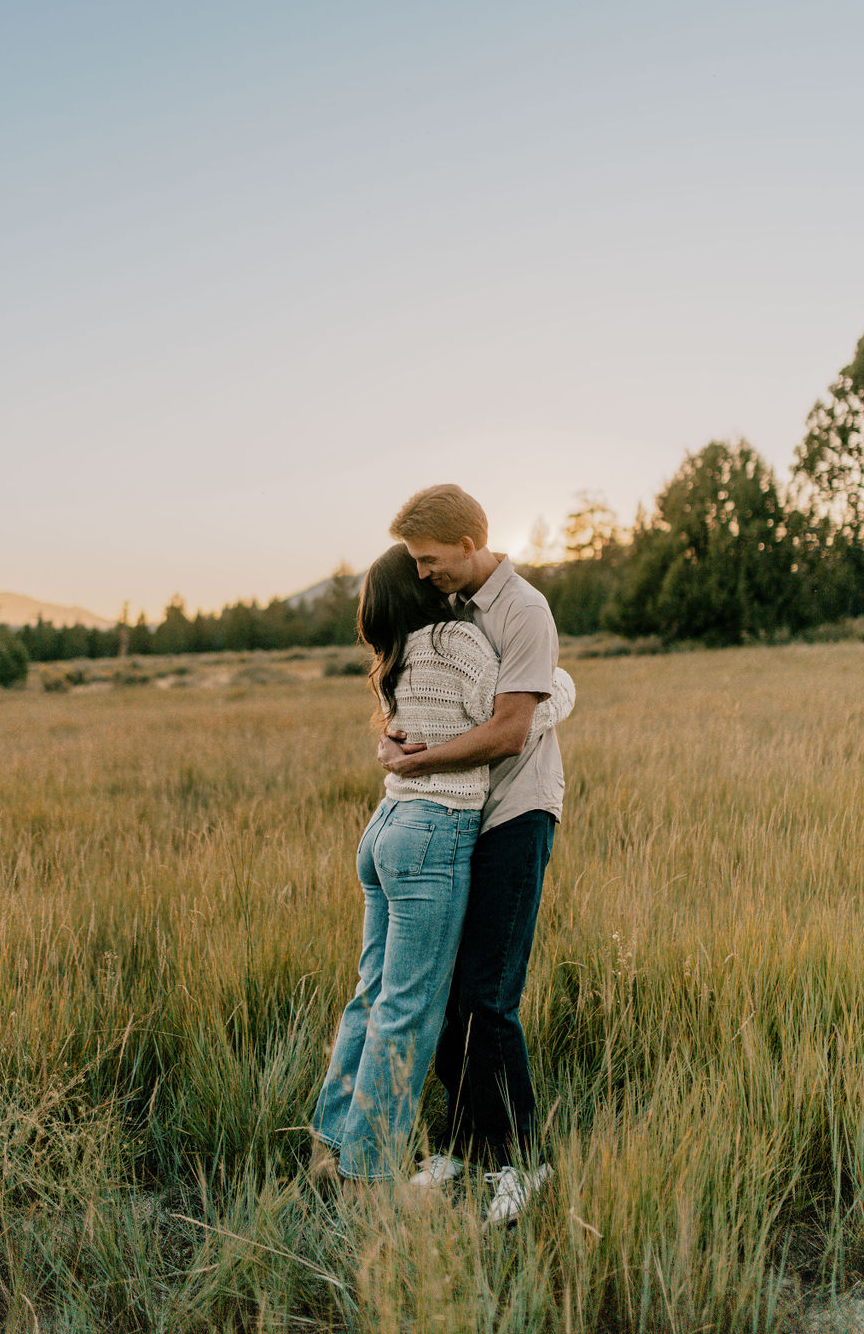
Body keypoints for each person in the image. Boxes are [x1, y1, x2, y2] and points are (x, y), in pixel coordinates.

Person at [310, 544, 571, 1188]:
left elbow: (421, 729)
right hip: (432, 832)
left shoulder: (396, 656)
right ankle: (368, 1170)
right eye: (422, 569)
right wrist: (560, 683)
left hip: (385, 829)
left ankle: (331, 1141)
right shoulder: (455, 639)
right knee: (410, 1006)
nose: (433, 575)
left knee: (371, 994)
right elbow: (508, 717)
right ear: (420, 588)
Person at [381, 483, 567, 1225]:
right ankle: (460, 1140)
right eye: (414, 563)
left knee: (489, 996)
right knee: (445, 992)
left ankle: (523, 1162)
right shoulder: (452, 612)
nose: (423, 574)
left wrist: (420, 765)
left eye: (430, 559)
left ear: (469, 542)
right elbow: (430, 703)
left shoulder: (524, 611)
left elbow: (508, 732)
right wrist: (396, 741)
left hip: (514, 817)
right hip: (454, 820)